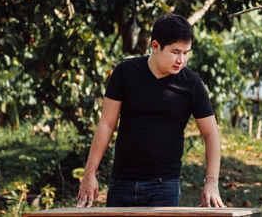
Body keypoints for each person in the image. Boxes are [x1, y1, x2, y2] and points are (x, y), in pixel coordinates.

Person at [76, 14, 225, 208]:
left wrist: (211, 182)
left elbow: (211, 133)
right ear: (155, 46)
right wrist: (89, 174)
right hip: (122, 182)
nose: (181, 60)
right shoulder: (125, 73)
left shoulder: (192, 84)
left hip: (164, 187)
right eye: (175, 52)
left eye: (186, 53)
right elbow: (106, 124)